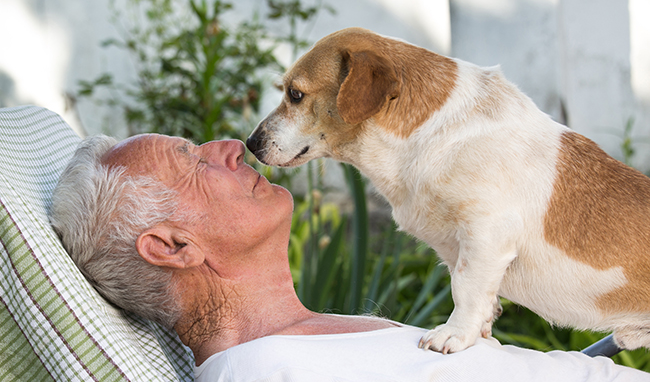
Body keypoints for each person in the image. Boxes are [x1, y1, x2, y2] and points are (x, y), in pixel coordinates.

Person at [50, 133, 650, 381]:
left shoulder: (309, 343)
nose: (232, 147)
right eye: (192, 162)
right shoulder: (266, 372)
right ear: (172, 247)